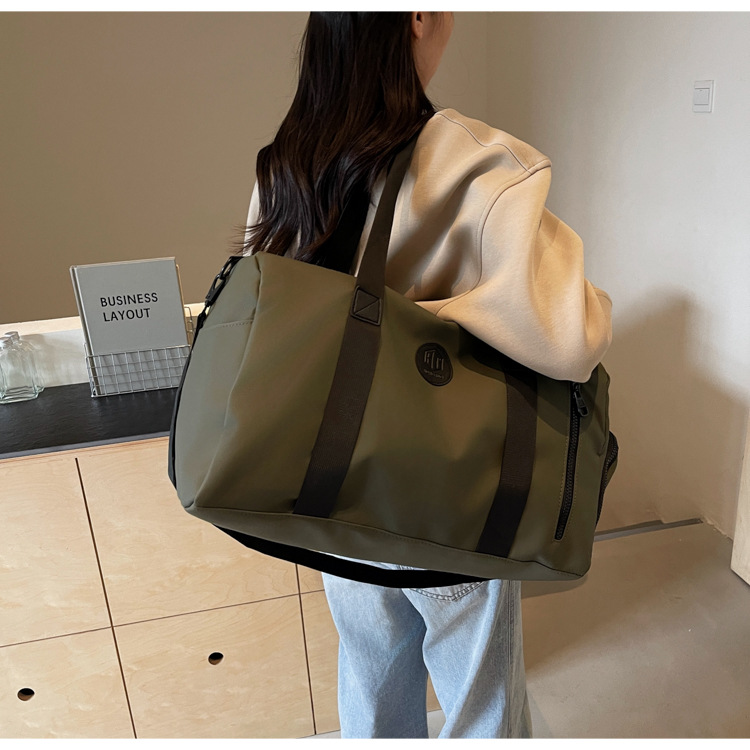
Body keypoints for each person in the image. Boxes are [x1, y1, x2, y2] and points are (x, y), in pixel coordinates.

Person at [242, 11, 612, 740]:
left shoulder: (285, 162)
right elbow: (573, 340)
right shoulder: (479, 166)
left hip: (334, 493)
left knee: (371, 687)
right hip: (448, 500)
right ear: (416, 16)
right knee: (481, 709)